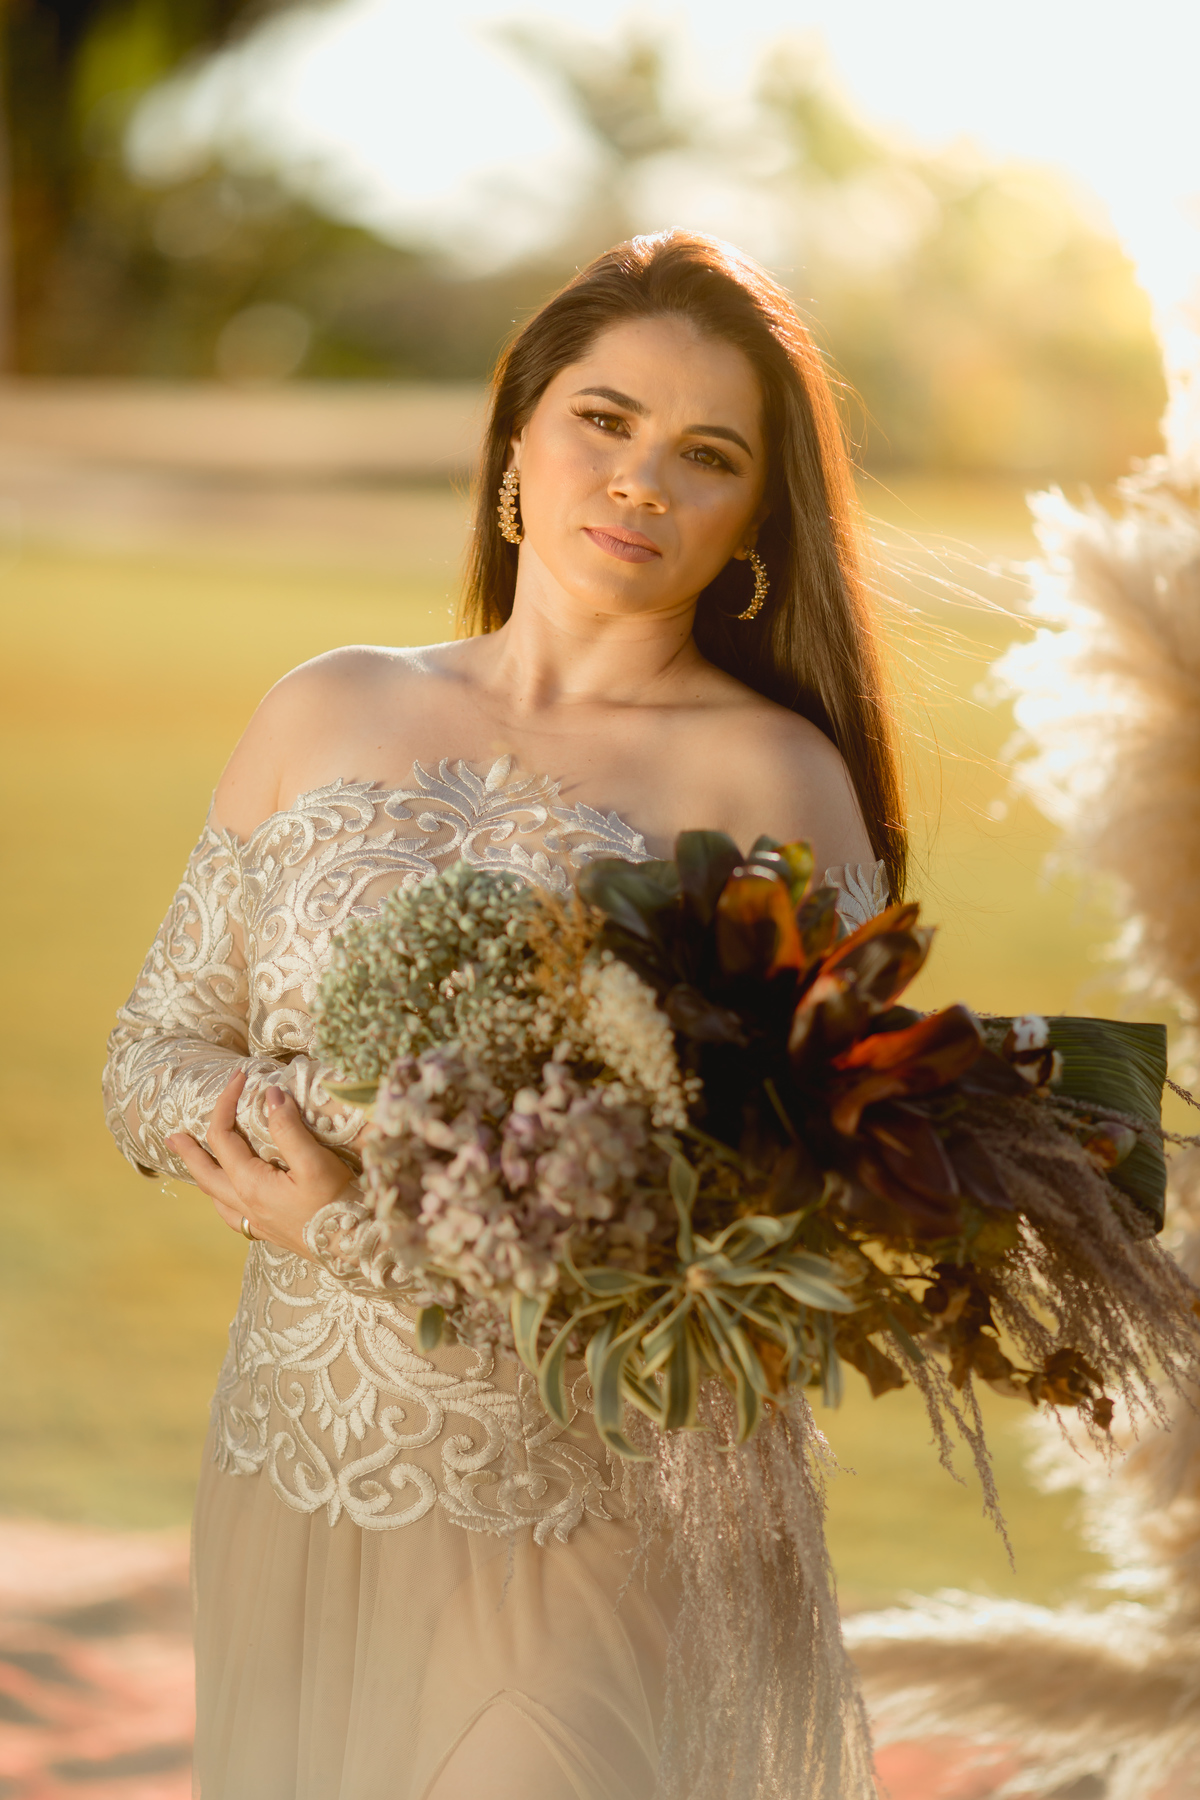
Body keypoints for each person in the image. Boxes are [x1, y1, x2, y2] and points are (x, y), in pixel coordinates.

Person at [102, 230, 904, 1800]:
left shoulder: (773, 783)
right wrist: (271, 1149)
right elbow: (154, 1045)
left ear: (755, 520)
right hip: (300, 1461)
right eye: (604, 420)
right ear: (520, 440)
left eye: (707, 455)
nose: (642, 481)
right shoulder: (325, 705)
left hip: (587, 1499)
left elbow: (802, 1224)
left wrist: (371, 1224)